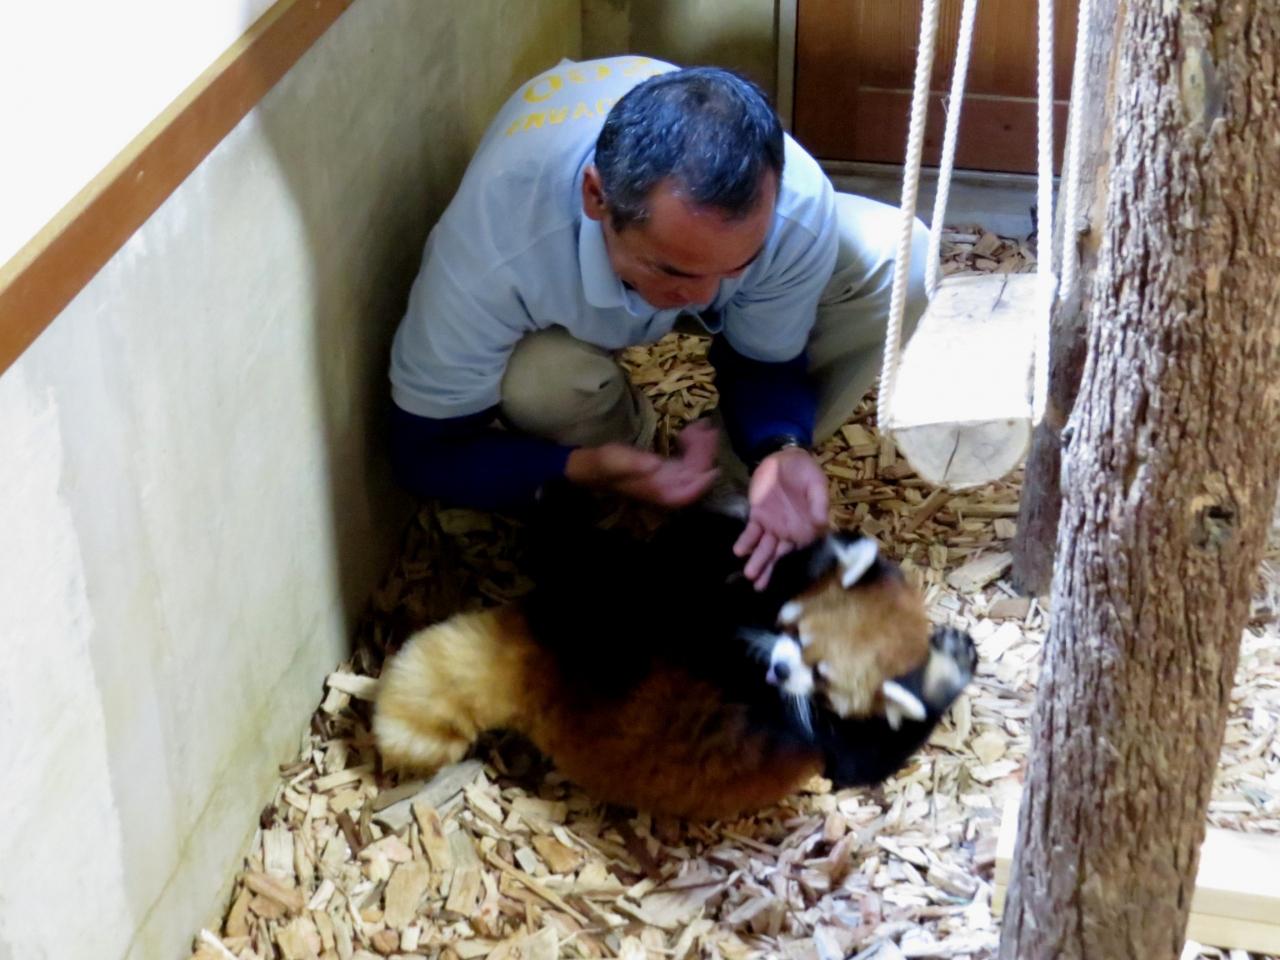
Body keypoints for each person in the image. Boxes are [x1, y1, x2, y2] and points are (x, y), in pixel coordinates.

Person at [388, 55, 927, 589]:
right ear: (596, 197)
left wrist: (779, 444)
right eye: (673, 269)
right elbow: (425, 452)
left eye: (735, 265)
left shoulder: (795, 204)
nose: (706, 297)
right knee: (537, 380)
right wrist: (581, 467)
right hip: (552, 284)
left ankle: (737, 486)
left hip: (646, 251)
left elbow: (764, 361)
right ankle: (624, 456)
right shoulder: (492, 244)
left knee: (903, 261)